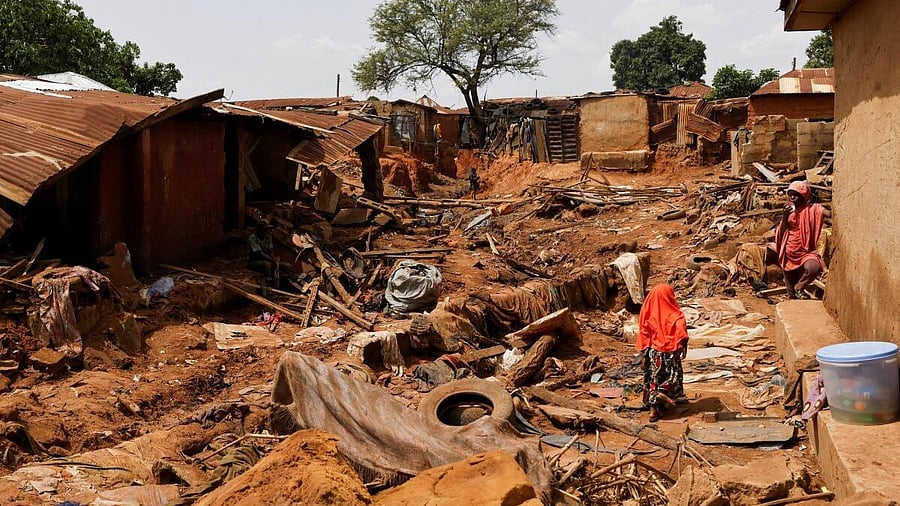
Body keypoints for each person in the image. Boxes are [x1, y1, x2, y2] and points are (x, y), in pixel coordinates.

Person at [637, 283, 689, 422]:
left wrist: (644, 355)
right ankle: (661, 396)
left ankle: (654, 409)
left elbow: (644, 333)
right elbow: (681, 331)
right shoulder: (675, 314)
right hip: (670, 353)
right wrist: (683, 345)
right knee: (671, 377)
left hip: (654, 353)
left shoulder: (647, 312)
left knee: (654, 379)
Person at [775, 180, 832, 299]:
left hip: (805, 251)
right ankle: (794, 304)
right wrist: (785, 216)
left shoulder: (813, 209)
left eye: (795, 194)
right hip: (789, 251)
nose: (792, 197)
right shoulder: (789, 211)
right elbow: (782, 230)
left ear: (804, 195)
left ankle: (799, 287)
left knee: (814, 267)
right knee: (791, 293)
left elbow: (829, 214)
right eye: (790, 194)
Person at [248, 220, 280, 288]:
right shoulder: (252, 238)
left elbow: (270, 250)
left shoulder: (268, 237)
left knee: (284, 266)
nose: (266, 231)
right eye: (264, 229)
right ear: (259, 229)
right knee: (267, 265)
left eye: (267, 229)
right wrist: (272, 259)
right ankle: (269, 283)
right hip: (254, 261)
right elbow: (259, 253)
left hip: (267, 259)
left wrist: (274, 259)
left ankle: (278, 284)